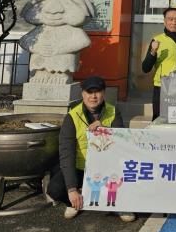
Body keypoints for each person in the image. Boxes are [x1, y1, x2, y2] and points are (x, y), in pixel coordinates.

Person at [47, 76, 136, 222]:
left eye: (97, 91)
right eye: (89, 92)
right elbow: (66, 153)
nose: (93, 96)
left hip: (107, 168)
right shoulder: (72, 116)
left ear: (104, 93)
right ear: (83, 94)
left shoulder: (114, 112)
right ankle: (75, 202)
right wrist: (72, 189)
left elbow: (122, 142)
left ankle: (117, 204)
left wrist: (105, 130)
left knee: (132, 177)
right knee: (55, 189)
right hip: (81, 168)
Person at [141, 7, 176, 120]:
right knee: (159, 118)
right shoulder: (157, 40)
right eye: (170, 19)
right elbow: (145, 68)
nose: (174, 22)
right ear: (164, 21)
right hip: (162, 86)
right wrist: (153, 51)